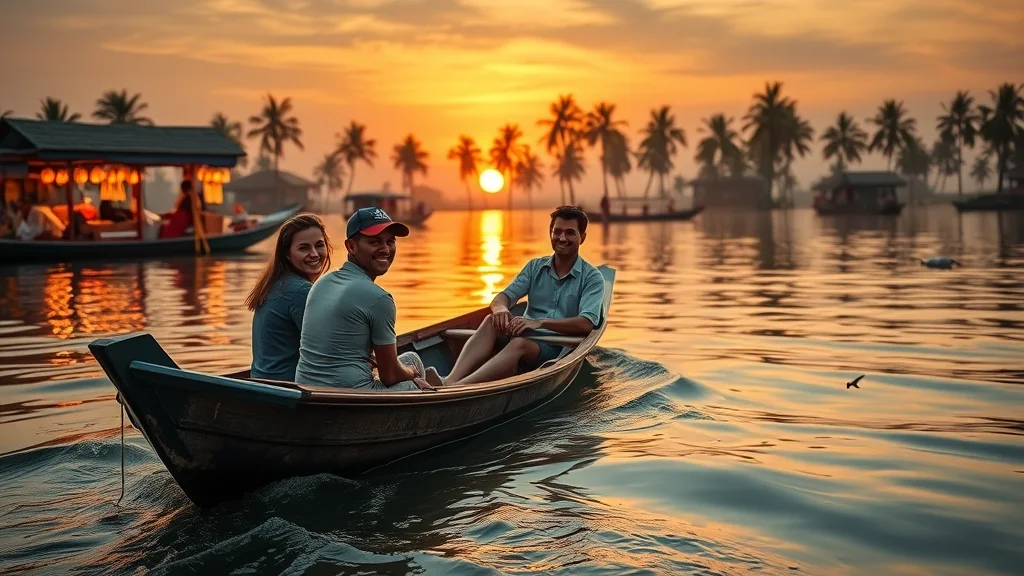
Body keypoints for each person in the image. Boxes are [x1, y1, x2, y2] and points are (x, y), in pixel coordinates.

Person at [444, 206, 605, 386]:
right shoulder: (535, 267)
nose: (562, 238)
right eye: (557, 232)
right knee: (491, 320)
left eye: (570, 233)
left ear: (582, 237)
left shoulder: (592, 278)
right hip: (524, 332)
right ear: (550, 233)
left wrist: (540, 322)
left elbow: (586, 324)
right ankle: (450, 380)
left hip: (556, 346)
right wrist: (500, 309)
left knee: (519, 344)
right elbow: (502, 297)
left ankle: (460, 387)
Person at [295, 207, 442, 391]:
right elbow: (390, 376)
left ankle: (440, 384)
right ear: (351, 246)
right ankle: (440, 389)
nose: (385, 249)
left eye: (390, 241)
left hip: (308, 390)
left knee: (407, 361)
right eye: (375, 242)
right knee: (413, 362)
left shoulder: (322, 282)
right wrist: (412, 373)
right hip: (351, 398)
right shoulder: (379, 299)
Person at [245, 213, 332, 381]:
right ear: (287, 254)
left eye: (319, 245)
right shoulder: (301, 290)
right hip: (288, 388)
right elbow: (326, 351)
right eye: (304, 248)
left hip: (263, 381)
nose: (314, 254)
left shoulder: (278, 283)